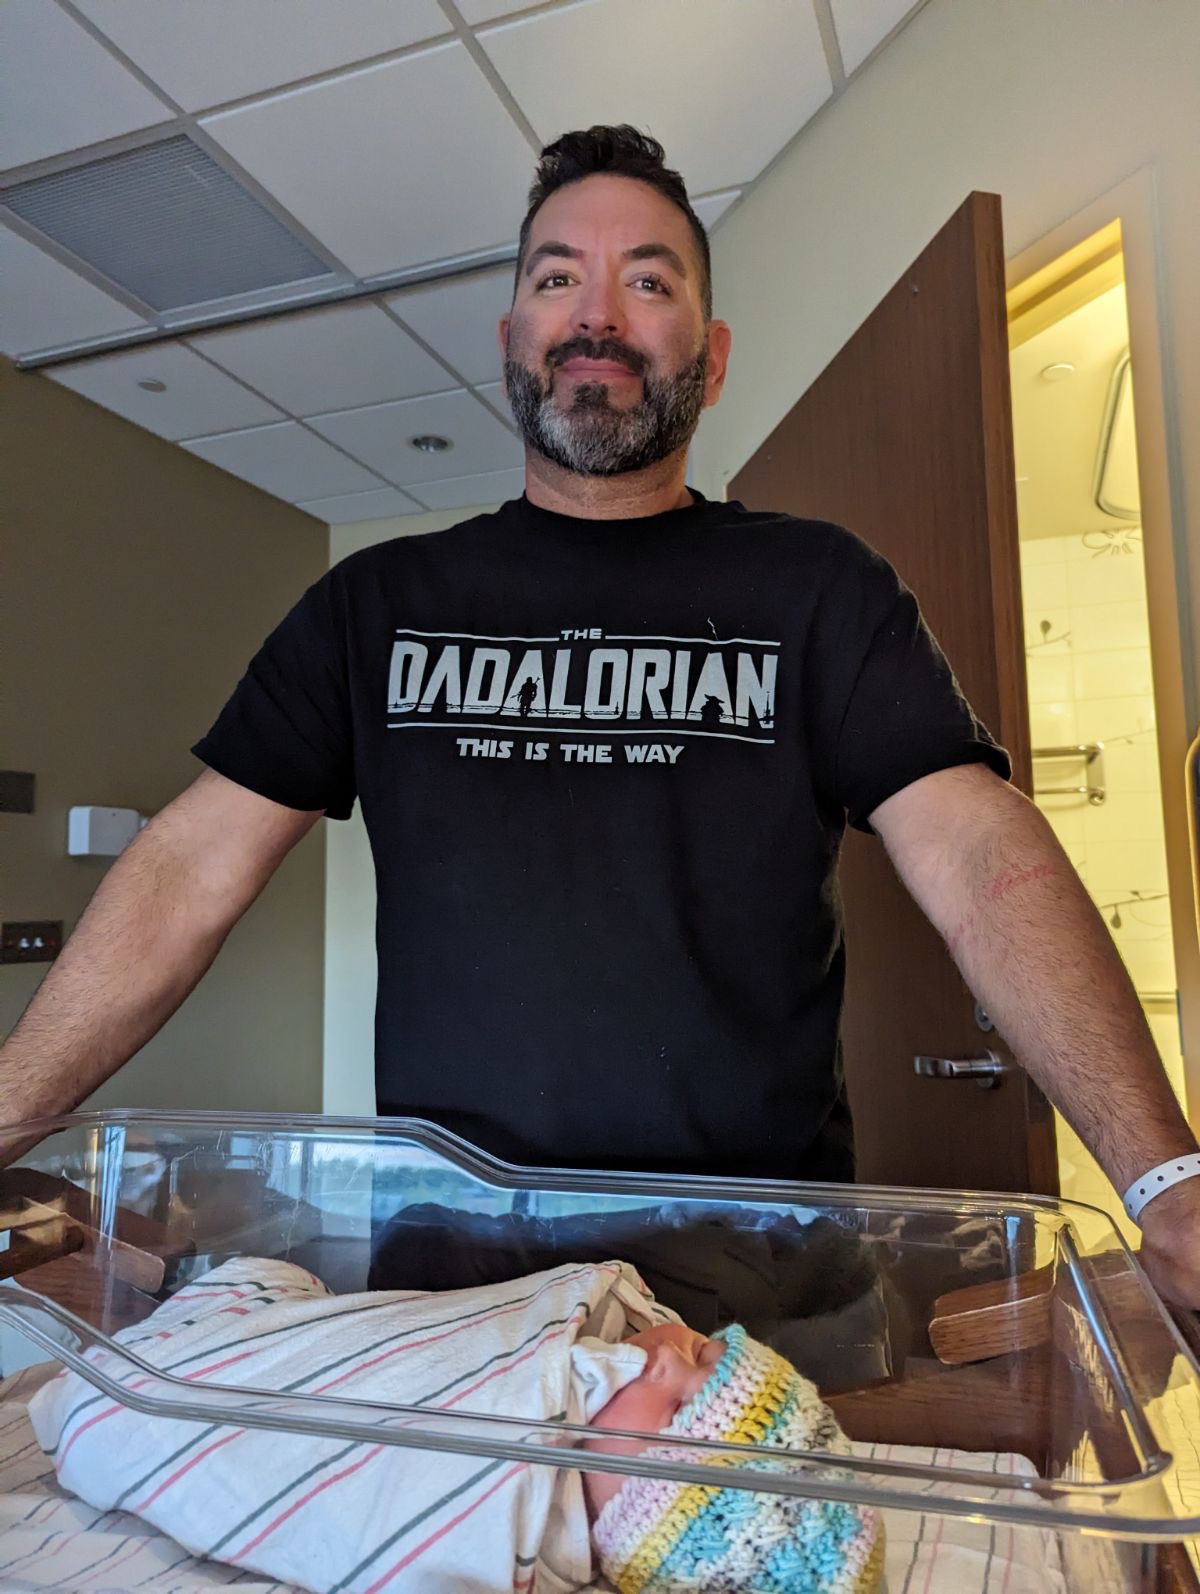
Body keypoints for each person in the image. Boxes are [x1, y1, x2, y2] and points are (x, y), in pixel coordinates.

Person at [1, 126, 1197, 1310]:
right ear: (510, 342)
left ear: (712, 361)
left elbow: (979, 850)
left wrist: (1166, 1179)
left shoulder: (820, 589)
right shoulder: (376, 605)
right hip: (458, 1299)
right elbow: (187, 866)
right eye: (558, 277)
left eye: (649, 282)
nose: (597, 315)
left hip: (767, 1289)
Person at [28, 1254, 884, 1593]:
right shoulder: (587, 1374)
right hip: (285, 1338)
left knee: (135, 1406)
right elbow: (425, 1349)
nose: (662, 1358)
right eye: (702, 1351)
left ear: (641, 1523)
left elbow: (381, 1512)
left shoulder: (514, 1531)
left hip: (167, 1391)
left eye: (679, 1404)